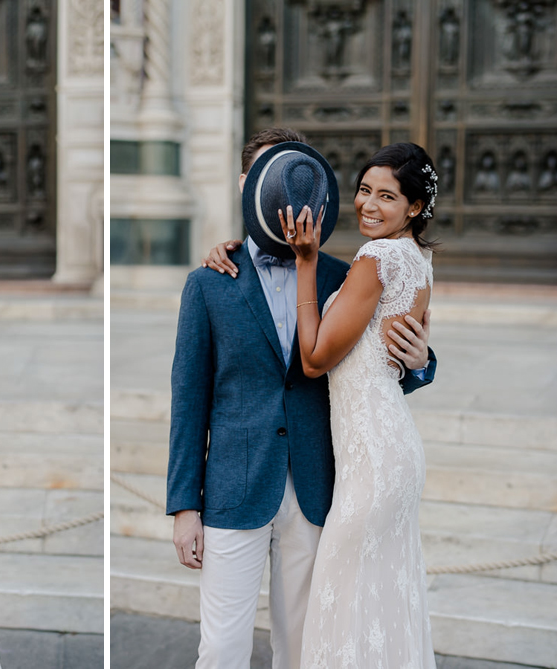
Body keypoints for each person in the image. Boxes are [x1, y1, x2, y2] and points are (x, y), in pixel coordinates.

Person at [167, 128, 435, 669]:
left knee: (304, 647)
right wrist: (182, 506)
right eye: (268, 176)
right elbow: (188, 397)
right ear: (247, 184)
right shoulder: (210, 282)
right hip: (233, 487)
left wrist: (421, 362)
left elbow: (380, 364)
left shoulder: (348, 272)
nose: (285, 195)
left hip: (321, 488)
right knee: (220, 649)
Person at [285, 143, 437, 666]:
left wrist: (306, 264)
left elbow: (315, 358)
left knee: (344, 599)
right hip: (391, 447)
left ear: (414, 207)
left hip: (373, 458)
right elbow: (396, 356)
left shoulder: (377, 257)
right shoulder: (420, 261)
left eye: (388, 196)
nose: (368, 205)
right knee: (380, 600)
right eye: (365, 190)